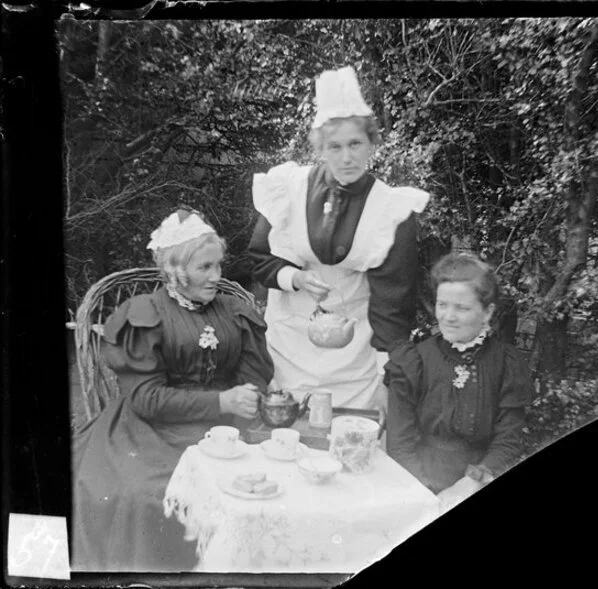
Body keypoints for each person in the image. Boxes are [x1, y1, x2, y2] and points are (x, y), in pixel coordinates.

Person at [72, 208, 274, 572]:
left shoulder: (234, 310)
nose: (216, 276)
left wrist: (248, 396)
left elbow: (254, 372)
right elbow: (147, 399)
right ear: (176, 272)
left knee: (248, 492)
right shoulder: (145, 314)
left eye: (218, 266)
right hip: (147, 431)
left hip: (221, 433)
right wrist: (220, 400)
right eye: (204, 268)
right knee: (146, 496)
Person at [248, 66, 430, 410]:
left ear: (371, 143)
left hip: (354, 350)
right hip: (289, 342)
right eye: (335, 146)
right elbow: (260, 259)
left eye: (355, 143)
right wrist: (296, 277)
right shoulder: (290, 188)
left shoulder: (389, 209)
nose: (347, 157)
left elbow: (393, 302)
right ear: (320, 147)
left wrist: (384, 377)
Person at [385, 253, 534, 511]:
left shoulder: (506, 364)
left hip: (480, 481)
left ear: (487, 312)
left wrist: (472, 483)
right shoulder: (414, 361)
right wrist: (424, 496)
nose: (448, 316)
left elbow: (509, 439)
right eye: (442, 305)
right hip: (416, 486)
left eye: (462, 308)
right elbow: (399, 442)